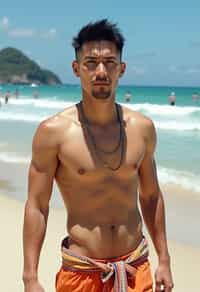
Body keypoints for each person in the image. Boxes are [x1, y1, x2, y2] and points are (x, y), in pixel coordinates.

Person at [23, 19, 173, 292]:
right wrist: (30, 278)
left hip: (135, 268)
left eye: (109, 62)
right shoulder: (53, 132)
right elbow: (37, 205)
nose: (100, 71)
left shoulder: (142, 129)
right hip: (82, 272)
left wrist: (164, 259)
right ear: (76, 68)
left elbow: (151, 196)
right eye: (91, 62)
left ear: (122, 69)